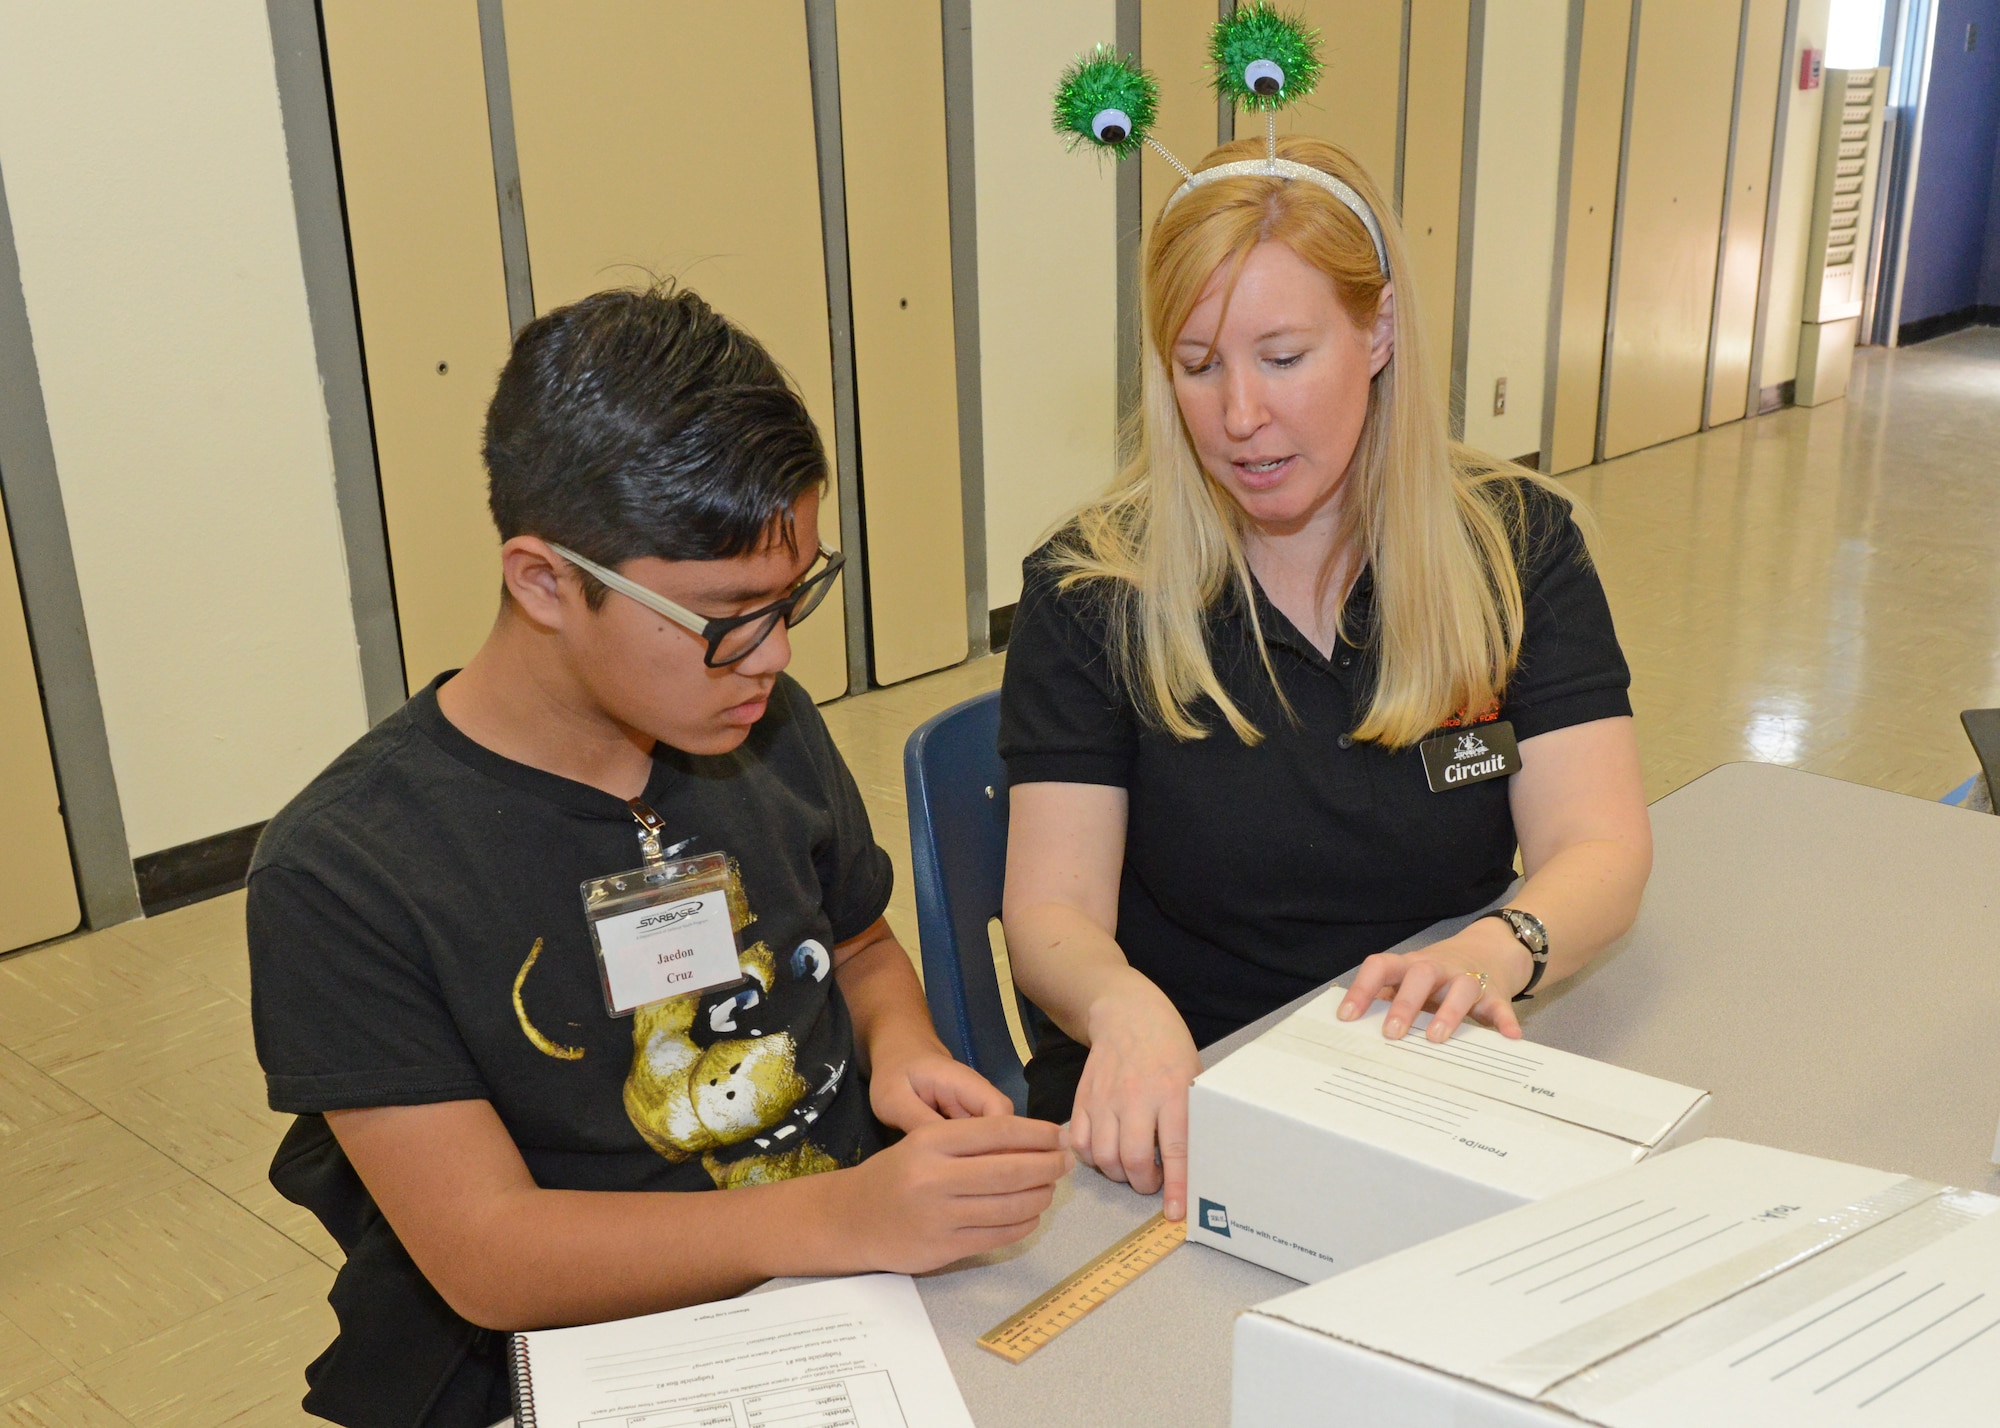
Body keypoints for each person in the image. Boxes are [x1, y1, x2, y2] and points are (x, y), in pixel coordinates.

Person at [248, 286, 1068, 1427]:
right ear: (543, 581)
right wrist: (843, 1222)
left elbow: (858, 940)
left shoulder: (755, 723)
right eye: (726, 613)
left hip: (856, 1283)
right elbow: (490, 1256)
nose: (772, 654)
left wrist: (902, 1049)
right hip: (593, 1352)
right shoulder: (346, 876)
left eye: (794, 598)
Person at [998, 135, 1651, 1227]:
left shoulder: (1514, 548)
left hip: (1427, 1077)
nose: (1239, 415)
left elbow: (1599, 846)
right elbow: (1051, 909)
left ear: (1378, 330)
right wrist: (1121, 1007)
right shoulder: (1090, 589)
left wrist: (1495, 951)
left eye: (1282, 357)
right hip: (1189, 1104)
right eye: (1197, 365)